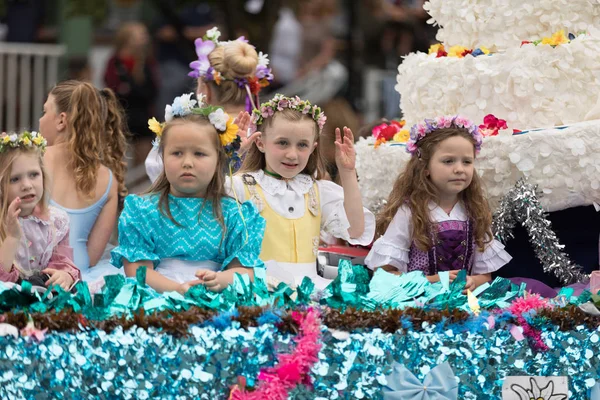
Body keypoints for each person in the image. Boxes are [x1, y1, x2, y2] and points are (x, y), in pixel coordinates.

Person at [111, 94, 265, 294]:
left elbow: (246, 269)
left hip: (218, 300)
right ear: (162, 156)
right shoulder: (142, 210)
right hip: (157, 298)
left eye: (199, 154)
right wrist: (178, 289)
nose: (187, 163)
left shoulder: (235, 214)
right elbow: (136, 270)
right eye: (177, 153)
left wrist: (221, 279)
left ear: (218, 160)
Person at [229, 94, 375, 288]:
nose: (292, 154)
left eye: (302, 145)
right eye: (282, 143)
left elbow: (355, 229)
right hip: (262, 290)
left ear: (313, 148)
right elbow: (204, 200)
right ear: (260, 143)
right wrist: (231, 155)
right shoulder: (241, 186)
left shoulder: (317, 190)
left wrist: (347, 172)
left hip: (310, 289)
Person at [365, 116, 511, 291]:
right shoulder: (411, 211)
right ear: (425, 167)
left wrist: (472, 282)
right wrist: (432, 280)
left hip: (463, 303)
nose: (459, 169)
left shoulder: (474, 210)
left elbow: (485, 275)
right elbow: (385, 275)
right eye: (448, 161)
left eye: (467, 162)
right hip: (419, 302)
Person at [145, 26, 274, 182]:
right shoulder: (273, 130)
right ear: (254, 87)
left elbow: (157, 172)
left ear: (206, 90)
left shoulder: (182, 130)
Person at [40, 80, 128, 282]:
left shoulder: (34, 160)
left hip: (34, 270)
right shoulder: (108, 179)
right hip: (78, 276)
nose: (40, 119)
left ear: (61, 120)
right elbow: (93, 255)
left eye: (44, 112)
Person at [0, 131, 80, 291]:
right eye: (15, 179)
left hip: (44, 298)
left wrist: (64, 275)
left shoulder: (56, 220)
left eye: (34, 175)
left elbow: (62, 262)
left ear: (43, 176)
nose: (27, 185)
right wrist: (12, 237)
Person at [104, 22, 159, 166]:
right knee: (116, 157)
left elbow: (152, 90)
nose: (145, 38)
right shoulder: (115, 62)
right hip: (120, 114)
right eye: (141, 35)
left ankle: (141, 188)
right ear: (128, 38)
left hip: (142, 115)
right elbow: (112, 88)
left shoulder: (147, 61)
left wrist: (129, 89)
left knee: (144, 161)